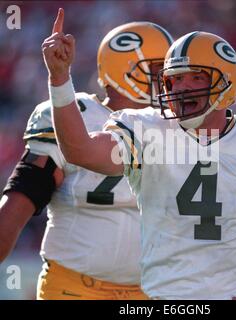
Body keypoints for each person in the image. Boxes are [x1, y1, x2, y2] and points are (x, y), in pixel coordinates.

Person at [43, 8, 236, 299]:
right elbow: (81, 151)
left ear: (226, 82)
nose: (181, 87)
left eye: (194, 78)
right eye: (174, 79)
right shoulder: (146, 129)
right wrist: (60, 81)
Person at [0, 18, 173, 300]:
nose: (169, 81)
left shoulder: (173, 127)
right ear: (126, 71)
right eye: (158, 70)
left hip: (152, 292)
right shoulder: (77, 114)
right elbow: (23, 195)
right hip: (74, 289)